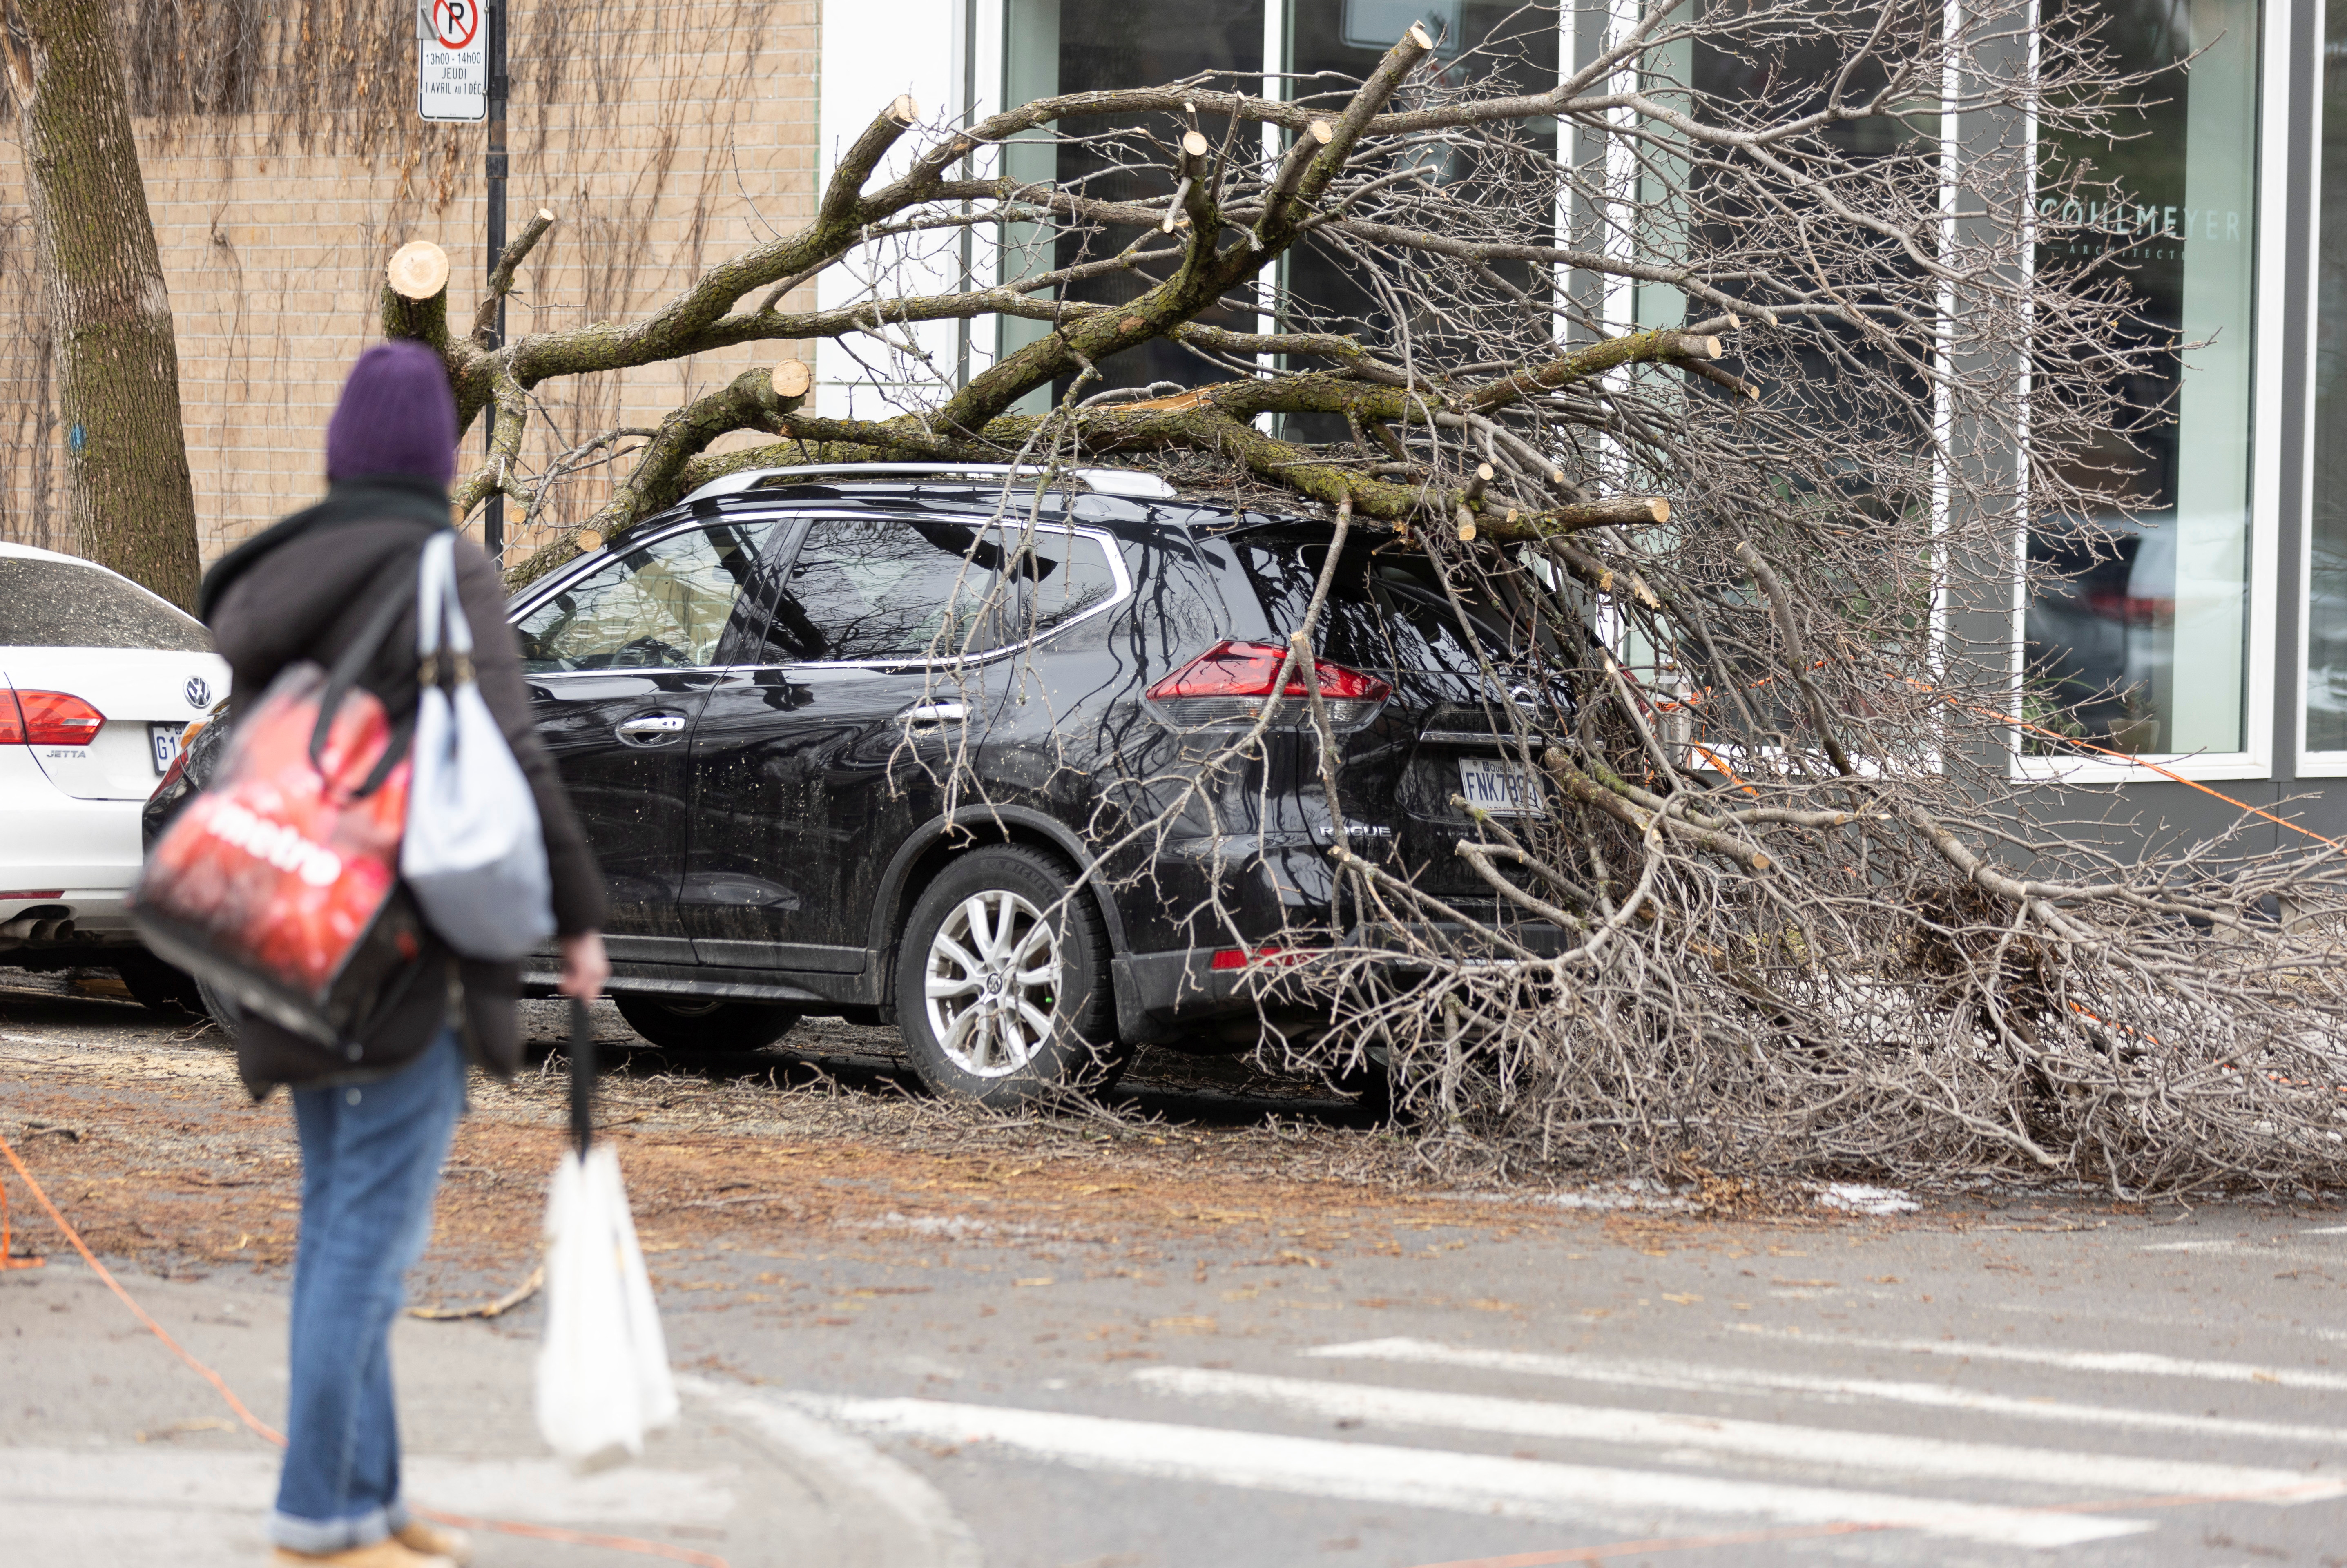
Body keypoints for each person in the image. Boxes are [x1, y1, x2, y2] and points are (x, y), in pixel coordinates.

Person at [199, 341, 611, 1568]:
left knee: (342, 1225)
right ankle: (316, 1518)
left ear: (339, 447)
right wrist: (577, 915)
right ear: (437, 457)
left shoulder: (287, 567)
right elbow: (515, 747)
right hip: (403, 955)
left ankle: (370, 1497)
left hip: (292, 938)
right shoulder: (445, 565)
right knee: (365, 1252)